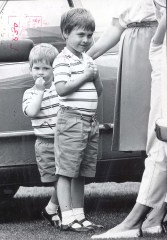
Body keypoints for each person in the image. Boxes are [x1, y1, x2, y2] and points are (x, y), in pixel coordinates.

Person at [89, 0, 167, 238]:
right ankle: (152, 213)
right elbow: (117, 25)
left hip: (158, 42)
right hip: (148, 47)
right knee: (155, 137)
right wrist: (84, 59)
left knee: (159, 137)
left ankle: (149, 215)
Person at [53, 8, 103, 232]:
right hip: (71, 121)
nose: (86, 40)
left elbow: (98, 91)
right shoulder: (62, 59)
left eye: (90, 35)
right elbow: (62, 89)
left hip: (89, 122)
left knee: (81, 172)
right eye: (80, 34)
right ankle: (66, 217)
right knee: (66, 171)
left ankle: (79, 216)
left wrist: (95, 75)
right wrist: (85, 75)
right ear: (66, 33)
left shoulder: (88, 58)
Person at [22, 43, 61, 228]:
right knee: (57, 181)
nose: (41, 72)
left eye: (46, 68)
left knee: (67, 178)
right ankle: (53, 209)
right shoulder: (30, 93)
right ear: (30, 70)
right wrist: (39, 91)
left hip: (63, 141)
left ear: (54, 70)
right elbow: (32, 111)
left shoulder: (59, 90)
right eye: (36, 68)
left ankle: (53, 209)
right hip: (45, 144)